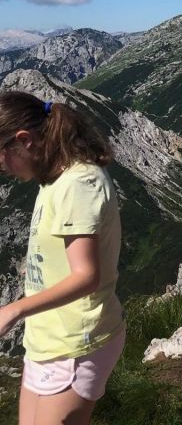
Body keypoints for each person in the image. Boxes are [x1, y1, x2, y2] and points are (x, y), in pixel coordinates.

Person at [0, 93, 125, 424]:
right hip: (47, 339)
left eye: (1, 156)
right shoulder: (53, 177)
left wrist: (14, 309)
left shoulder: (78, 183)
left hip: (76, 343)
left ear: (23, 141)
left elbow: (86, 275)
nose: (2, 168)